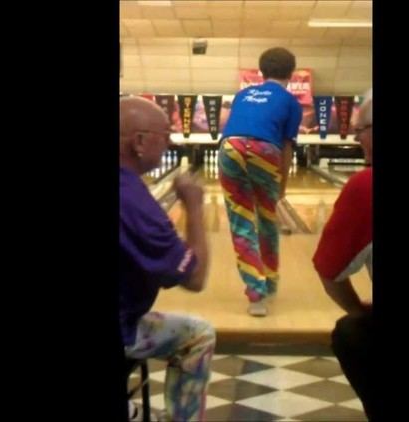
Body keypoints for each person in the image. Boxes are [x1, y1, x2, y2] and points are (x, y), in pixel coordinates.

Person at [120, 97, 215, 421]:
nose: (171, 141)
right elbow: (195, 277)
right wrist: (194, 208)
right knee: (198, 333)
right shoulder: (134, 202)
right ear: (140, 142)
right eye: (166, 133)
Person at [218, 47, 303, 316]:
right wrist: (282, 187)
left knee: (241, 221)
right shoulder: (291, 102)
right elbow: (286, 149)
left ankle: (255, 293)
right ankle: (270, 280)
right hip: (265, 150)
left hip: (230, 147)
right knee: (266, 219)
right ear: (291, 73)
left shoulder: (242, 95)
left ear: (261, 72)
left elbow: (235, 128)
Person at [312, 89, 374, 418]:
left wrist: (357, 309)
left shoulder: (366, 188)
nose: (356, 139)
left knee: (352, 332)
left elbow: (329, 271)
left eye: (360, 131)